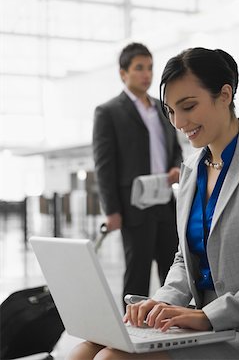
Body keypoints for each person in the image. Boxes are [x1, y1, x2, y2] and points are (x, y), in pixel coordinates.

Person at [69, 47, 239, 360]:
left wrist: (209, 315)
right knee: (84, 350)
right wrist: (161, 303)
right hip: (202, 325)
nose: (178, 122)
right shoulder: (191, 169)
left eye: (188, 106)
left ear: (225, 94)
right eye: (170, 111)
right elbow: (183, 257)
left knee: (111, 358)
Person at [92, 42, 182, 310]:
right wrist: (112, 210)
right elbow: (104, 165)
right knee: (137, 271)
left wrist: (177, 167)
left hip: (165, 201)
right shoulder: (108, 112)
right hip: (133, 206)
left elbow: (174, 148)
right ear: (123, 73)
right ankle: (132, 331)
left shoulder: (162, 108)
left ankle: (170, 322)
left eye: (150, 68)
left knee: (173, 269)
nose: (147, 74)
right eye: (139, 68)